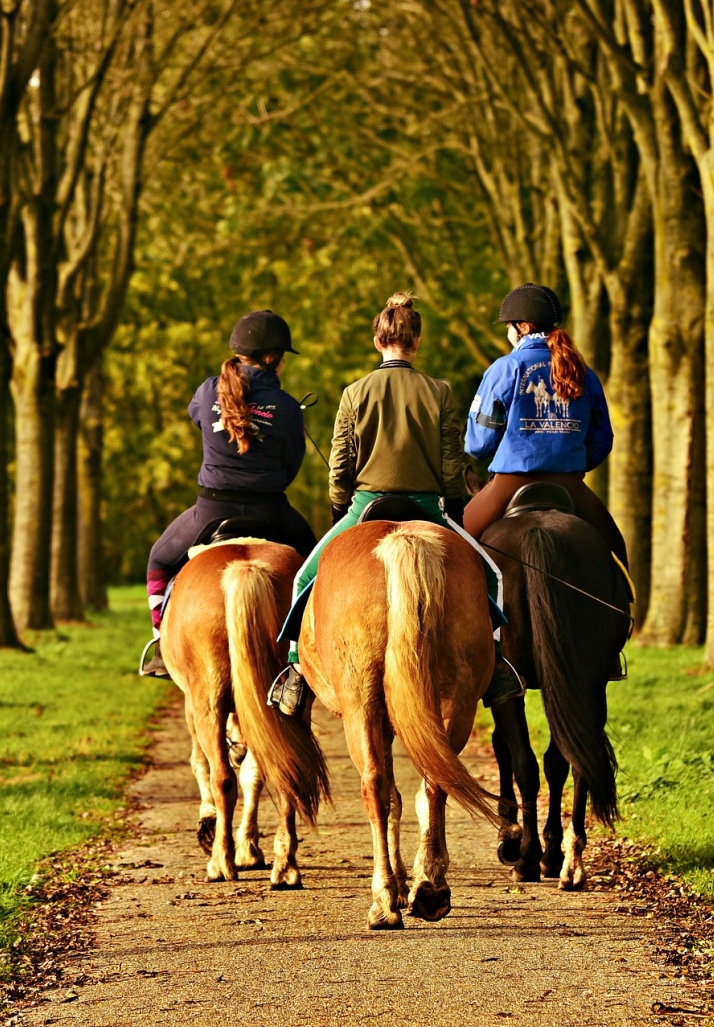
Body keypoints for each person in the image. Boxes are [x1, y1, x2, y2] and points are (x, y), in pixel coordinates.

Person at [272, 292, 523, 715]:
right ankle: (496, 667)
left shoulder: (354, 392)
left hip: (366, 504)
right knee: (492, 575)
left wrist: (340, 507)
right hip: (428, 506)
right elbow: (451, 462)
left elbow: (340, 463)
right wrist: (455, 507)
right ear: (417, 342)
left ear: (377, 341)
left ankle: (296, 672)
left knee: (303, 579)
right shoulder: (439, 391)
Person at [140, 310, 317, 677]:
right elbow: (291, 467)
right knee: (317, 567)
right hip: (272, 512)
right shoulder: (285, 406)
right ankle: (309, 650)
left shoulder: (208, 391)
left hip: (209, 510)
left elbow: (197, 419)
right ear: (272, 359)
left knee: (159, 561)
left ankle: (161, 642)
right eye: (283, 356)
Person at [464, 282, 628, 566]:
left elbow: (479, 444)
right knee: (617, 555)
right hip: (570, 483)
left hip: (509, 483)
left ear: (523, 327)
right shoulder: (584, 373)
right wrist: (569, 458)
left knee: (452, 547)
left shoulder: (505, 368)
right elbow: (602, 439)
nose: (507, 333)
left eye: (508, 326)